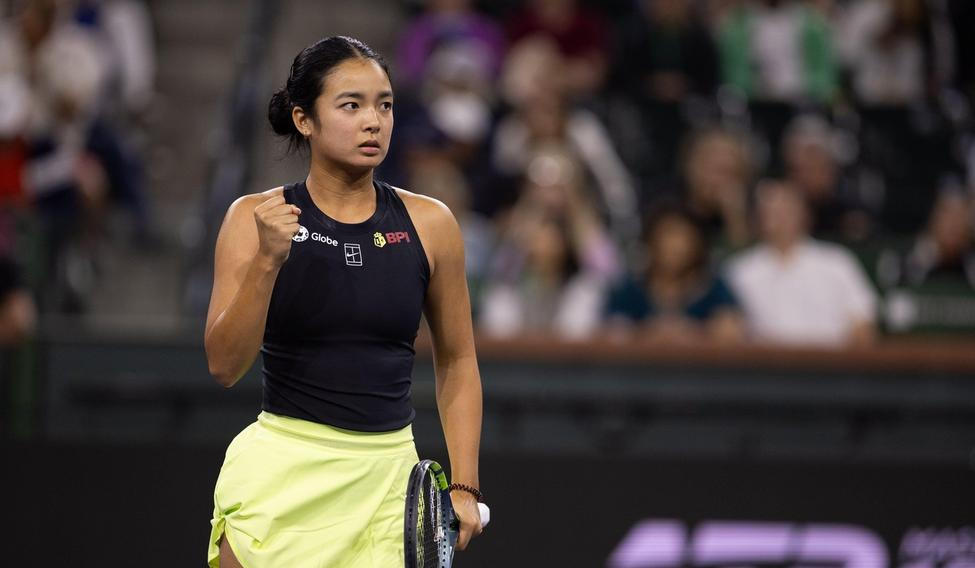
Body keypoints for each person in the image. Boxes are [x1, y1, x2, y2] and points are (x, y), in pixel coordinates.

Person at [204, 36, 483, 567]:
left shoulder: (432, 224)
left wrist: (465, 485)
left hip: (388, 484)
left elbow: (459, 359)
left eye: (385, 104)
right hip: (280, 473)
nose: (374, 121)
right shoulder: (252, 219)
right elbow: (223, 366)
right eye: (351, 105)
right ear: (304, 119)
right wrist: (266, 263)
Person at [726, 180, 878, 347]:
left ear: (805, 213)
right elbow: (728, 329)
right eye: (769, 210)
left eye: (786, 209)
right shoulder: (740, 269)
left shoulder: (836, 261)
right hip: (762, 367)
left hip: (831, 365)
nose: (778, 217)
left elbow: (863, 325)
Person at [606, 207, 744, 345]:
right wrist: (650, 333)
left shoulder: (714, 289)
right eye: (667, 235)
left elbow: (732, 330)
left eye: (683, 237)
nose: (674, 246)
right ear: (651, 241)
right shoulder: (630, 290)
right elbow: (612, 332)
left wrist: (691, 333)